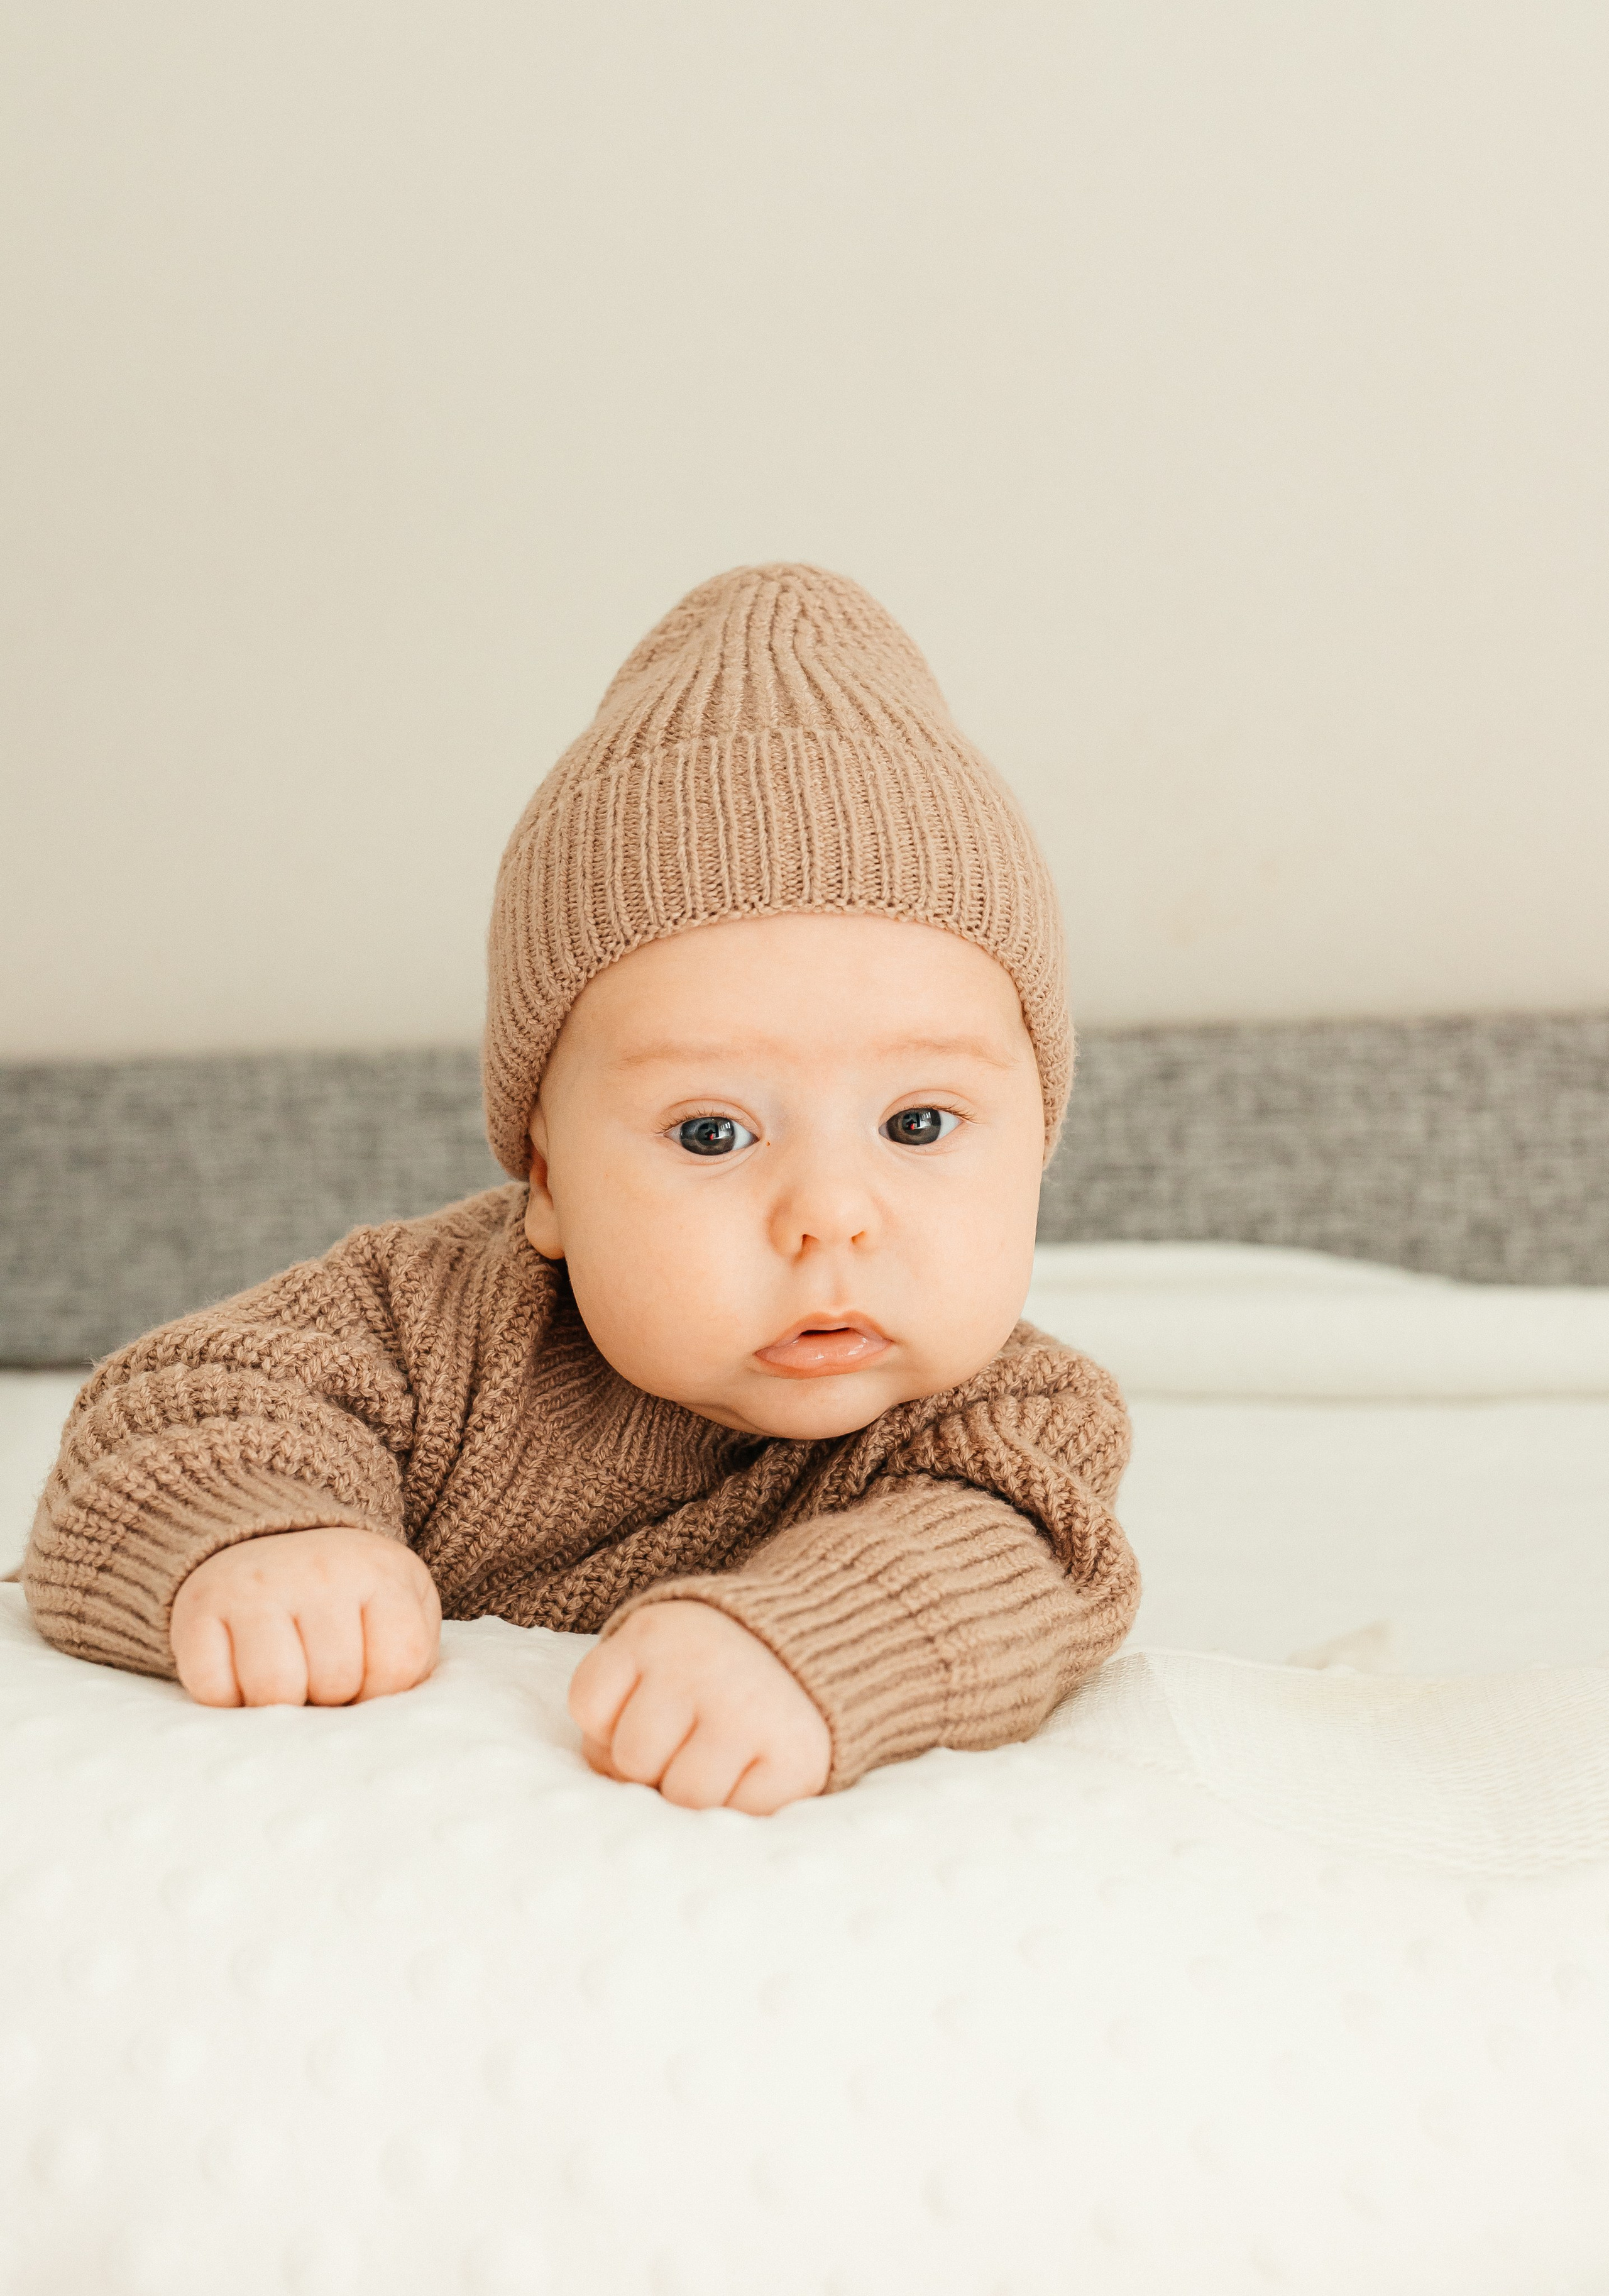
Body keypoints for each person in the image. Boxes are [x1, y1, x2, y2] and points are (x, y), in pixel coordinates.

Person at [23, 563, 1139, 1813]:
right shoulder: (425, 1320)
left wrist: (811, 1642)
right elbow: (182, 1408)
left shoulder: (1012, 1426)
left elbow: (1006, 1569)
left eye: (917, 1121)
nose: (831, 1212)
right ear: (546, 1178)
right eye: (712, 1131)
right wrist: (260, 1537)